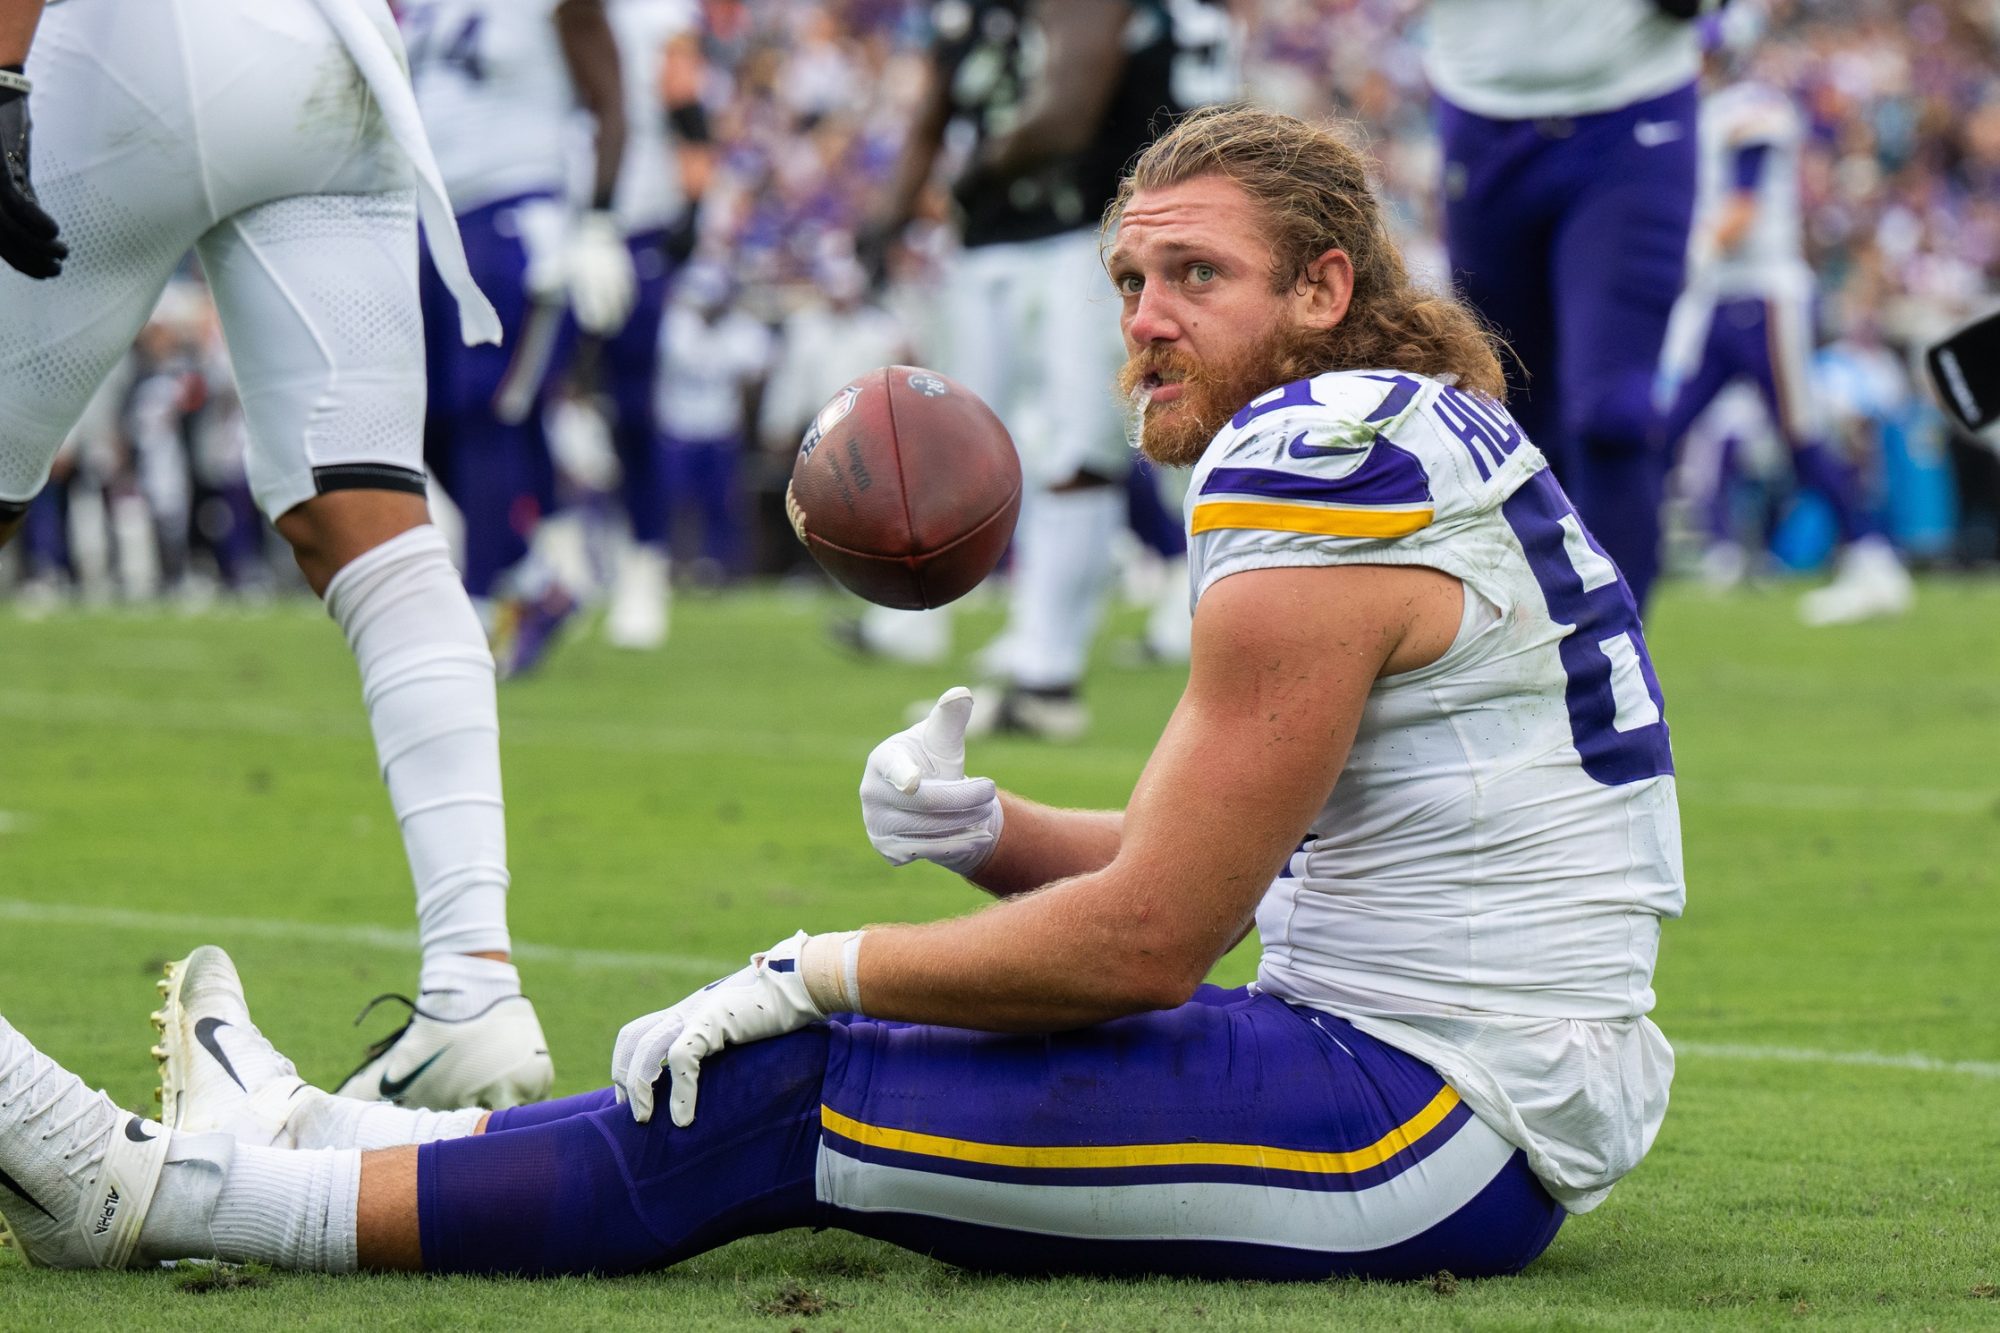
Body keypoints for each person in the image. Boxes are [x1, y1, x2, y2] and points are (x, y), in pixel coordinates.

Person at [0, 106, 1682, 1283]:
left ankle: (176, 1195)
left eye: (1198, 280)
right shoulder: (1402, 428)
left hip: (1422, 1125)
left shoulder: (1307, 463)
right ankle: (309, 1144)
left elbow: (1156, 937)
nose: (1148, 321)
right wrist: (991, 826)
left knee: (794, 1080)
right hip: (1439, 1067)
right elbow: (1236, 869)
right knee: (815, 1055)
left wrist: (815, 963)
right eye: (1131, 282)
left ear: (1321, 289)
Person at [0, 0, 553, 1110]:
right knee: (371, 522)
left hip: (119, 53)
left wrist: (5, 75)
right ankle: (474, 988)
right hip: (327, 51)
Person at [849, 0, 1239, 733]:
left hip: (1098, 234)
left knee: (1086, 450)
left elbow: (1067, 114)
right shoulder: (979, 24)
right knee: (1096, 442)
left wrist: (973, 181)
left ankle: (1056, 669)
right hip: (1161, 228)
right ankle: (1059, 646)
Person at [1427, 0, 1710, 610]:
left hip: (1634, 108)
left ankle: (1618, 671)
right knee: (1504, 407)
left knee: (1612, 410)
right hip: (1482, 112)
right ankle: (1531, 654)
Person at [402, 0, 632, 676]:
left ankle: (480, 600)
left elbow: (611, 100)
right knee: (425, 414)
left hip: (517, 210)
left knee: (489, 408)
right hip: (434, 219)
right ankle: (536, 580)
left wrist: (598, 220)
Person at [1653, 41, 1913, 625]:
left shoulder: (1749, 108)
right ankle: (1612, 559)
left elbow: (1741, 208)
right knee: (1662, 431)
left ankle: (1874, 560)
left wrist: (1679, 258)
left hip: (1764, 296)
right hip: (1719, 302)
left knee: (1801, 436)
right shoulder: (1699, 112)